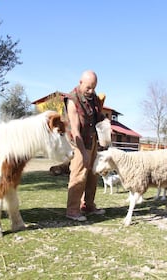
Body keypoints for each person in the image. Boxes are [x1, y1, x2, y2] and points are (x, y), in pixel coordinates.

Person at [64, 70, 108, 221]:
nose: (91, 91)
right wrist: (83, 153)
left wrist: (106, 124)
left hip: (93, 139)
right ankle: (72, 210)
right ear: (80, 82)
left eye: (94, 87)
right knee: (79, 175)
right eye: (88, 87)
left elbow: (98, 116)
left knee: (93, 174)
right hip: (79, 142)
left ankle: (88, 205)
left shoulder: (94, 98)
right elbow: (75, 130)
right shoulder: (72, 100)